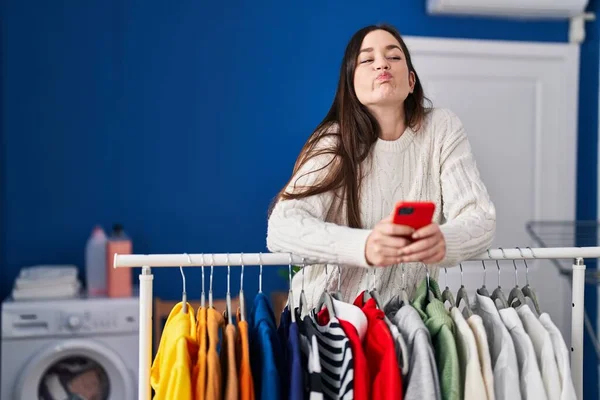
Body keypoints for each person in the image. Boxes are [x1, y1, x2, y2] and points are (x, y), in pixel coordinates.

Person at [266, 23, 496, 309]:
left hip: (409, 320)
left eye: (394, 56)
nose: (381, 64)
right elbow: (281, 227)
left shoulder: (441, 128)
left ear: (411, 81)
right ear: (351, 85)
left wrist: (445, 240)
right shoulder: (333, 141)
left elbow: (481, 217)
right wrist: (364, 246)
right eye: (367, 59)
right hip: (329, 321)